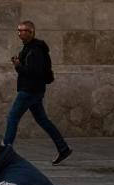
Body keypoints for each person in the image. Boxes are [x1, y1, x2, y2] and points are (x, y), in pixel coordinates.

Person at [4, 20, 71, 165]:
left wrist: (18, 65)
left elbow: (32, 72)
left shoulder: (35, 50)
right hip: (34, 91)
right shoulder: (30, 48)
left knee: (12, 118)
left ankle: (6, 152)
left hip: (29, 90)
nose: (19, 33)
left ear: (31, 32)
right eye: (18, 30)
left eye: (23, 30)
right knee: (43, 120)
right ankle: (63, 148)